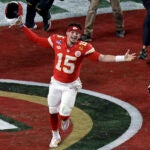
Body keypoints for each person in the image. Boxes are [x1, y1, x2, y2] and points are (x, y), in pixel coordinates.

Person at [15, 18, 135, 148]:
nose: (75, 35)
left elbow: (101, 57)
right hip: (56, 82)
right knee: (52, 110)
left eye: (77, 33)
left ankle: (65, 119)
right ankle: (55, 136)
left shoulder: (83, 47)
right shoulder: (57, 40)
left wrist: (122, 58)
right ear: (67, 33)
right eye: (72, 32)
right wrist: (22, 26)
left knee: (64, 113)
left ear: (79, 35)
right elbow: (37, 40)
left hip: (70, 86)